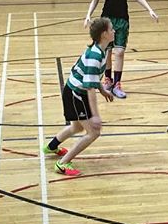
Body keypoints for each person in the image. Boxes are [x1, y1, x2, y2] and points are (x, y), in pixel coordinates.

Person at [43, 17, 115, 176]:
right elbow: (89, 87)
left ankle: (52, 146)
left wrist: (102, 90)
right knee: (93, 132)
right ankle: (63, 163)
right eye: (111, 29)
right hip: (77, 94)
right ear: (104, 34)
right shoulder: (95, 56)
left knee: (76, 127)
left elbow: (93, 78)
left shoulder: (101, 50)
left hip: (72, 90)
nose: (114, 31)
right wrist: (95, 116)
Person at [84, 0, 158, 99]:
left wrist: (149, 9)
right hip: (107, 21)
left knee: (120, 52)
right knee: (108, 53)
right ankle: (108, 80)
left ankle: (117, 84)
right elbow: (94, 1)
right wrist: (88, 15)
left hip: (122, 20)